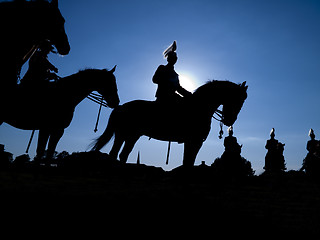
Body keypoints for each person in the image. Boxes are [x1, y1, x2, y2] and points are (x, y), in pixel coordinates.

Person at [152, 41, 192, 105]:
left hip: (173, 96)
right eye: (171, 58)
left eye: (174, 59)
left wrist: (188, 94)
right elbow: (155, 80)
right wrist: (167, 82)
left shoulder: (175, 75)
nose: (173, 60)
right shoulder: (162, 68)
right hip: (163, 96)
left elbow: (178, 88)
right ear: (168, 59)